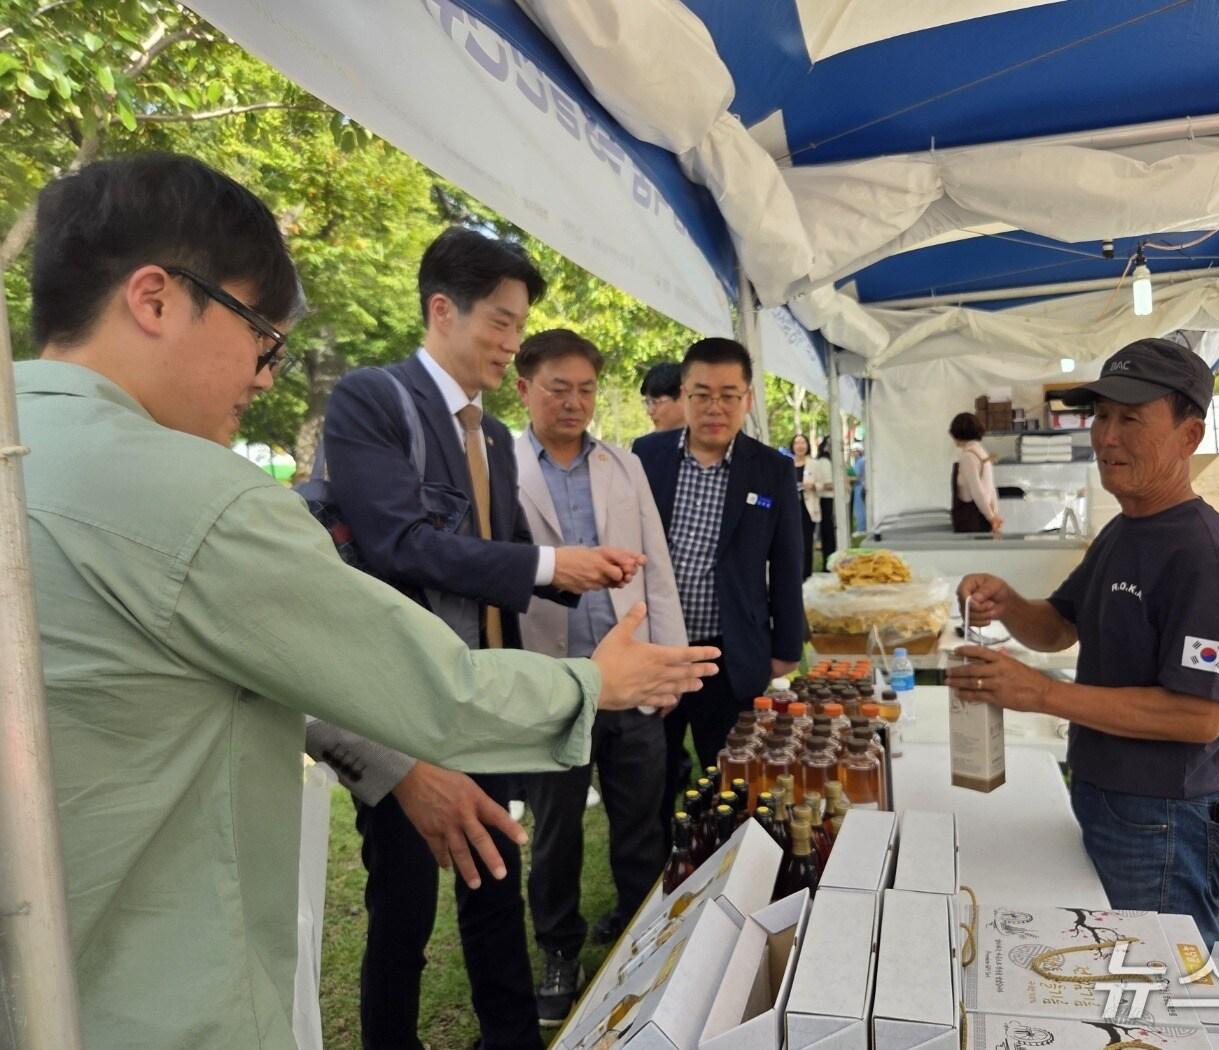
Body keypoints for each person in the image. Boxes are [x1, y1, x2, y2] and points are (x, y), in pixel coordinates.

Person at [16, 152, 719, 1050]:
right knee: (405, 914)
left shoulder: (26, 448)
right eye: (258, 335)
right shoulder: (207, 492)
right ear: (154, 298)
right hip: (159, 995)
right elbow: (418, 644)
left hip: (56, 975)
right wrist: (591, 679)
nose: (266, 375)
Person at [320, 228, 652, 1050]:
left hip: (486, 694)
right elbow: (398, 542)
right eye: (500, 323)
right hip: (402, 702)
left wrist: (567, 574)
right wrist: (547, 560)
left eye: (517, 325)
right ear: (443, 309)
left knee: (495, 878)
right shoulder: (371, 401)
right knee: (402, 902)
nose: (510, 343)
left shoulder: (495, 436)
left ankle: (510, 1036)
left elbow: (500, 555)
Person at [947, 339, 1219, 945]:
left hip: (1165, 821)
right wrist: (1009, 601)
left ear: (1189, 435)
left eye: (1131, 418)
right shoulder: (1125, 529)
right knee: (1108, 971)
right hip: (1109, 798)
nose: (1105, 436)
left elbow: (1198, 716)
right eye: (1101, 415)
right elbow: (1060, 625)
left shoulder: (1205, 557)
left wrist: (1043, 695)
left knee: (1157, 990)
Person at [511, 329, 686, 1024]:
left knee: (641, 818)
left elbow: (657, 565)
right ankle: (559, 947)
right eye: (559, 387)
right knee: (555, 828)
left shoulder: (621, 464)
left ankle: (643, 931)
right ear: (523, 388)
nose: (574, 402)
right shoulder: (504, 467)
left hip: (633, 670)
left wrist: (668, 667)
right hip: (551, 678)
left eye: (586, 389)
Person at [632, 338, 805, 828]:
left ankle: (730, 877)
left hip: (729, 654)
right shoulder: (647, 457)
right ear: (684, 395)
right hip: (656, 651)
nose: (715, 408)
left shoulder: (770, 469)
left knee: (731, 779)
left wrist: (786, 645)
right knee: (651, 780)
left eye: (729, 395)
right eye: (702, 394)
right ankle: (652, 887)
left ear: (748, 399)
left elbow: (787, 562)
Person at [949, 411, 1003, 534]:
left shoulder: (968, 456)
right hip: (983, 517)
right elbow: (991, 489)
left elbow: (976, 491)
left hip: (971, 520)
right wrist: (994, 514)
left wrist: (992, 517)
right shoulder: (982, 453)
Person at [790, 433, 828, 578]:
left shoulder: (814, 464)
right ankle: (794, 572)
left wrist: (813, 486)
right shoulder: (787, 463)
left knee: (806, 540)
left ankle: (806, 572)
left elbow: (822, 484)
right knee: (792, 541)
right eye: (797, 443)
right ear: (792, 446)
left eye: (803, 443)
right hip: (791, 507)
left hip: (808, 506)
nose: (800, 446)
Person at [640, 361, 684, 431]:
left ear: (682, 397)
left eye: (655, 402)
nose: (650, 411)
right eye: (648, 403)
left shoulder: (704, 439)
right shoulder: (646, 442)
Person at [815, 436, 838, 564]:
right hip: (826, 499)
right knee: (828, 531)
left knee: (829, 531)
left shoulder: (828, 462)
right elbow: (827, 483)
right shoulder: (824, 462)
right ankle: (829, 559)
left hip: (829, 499)